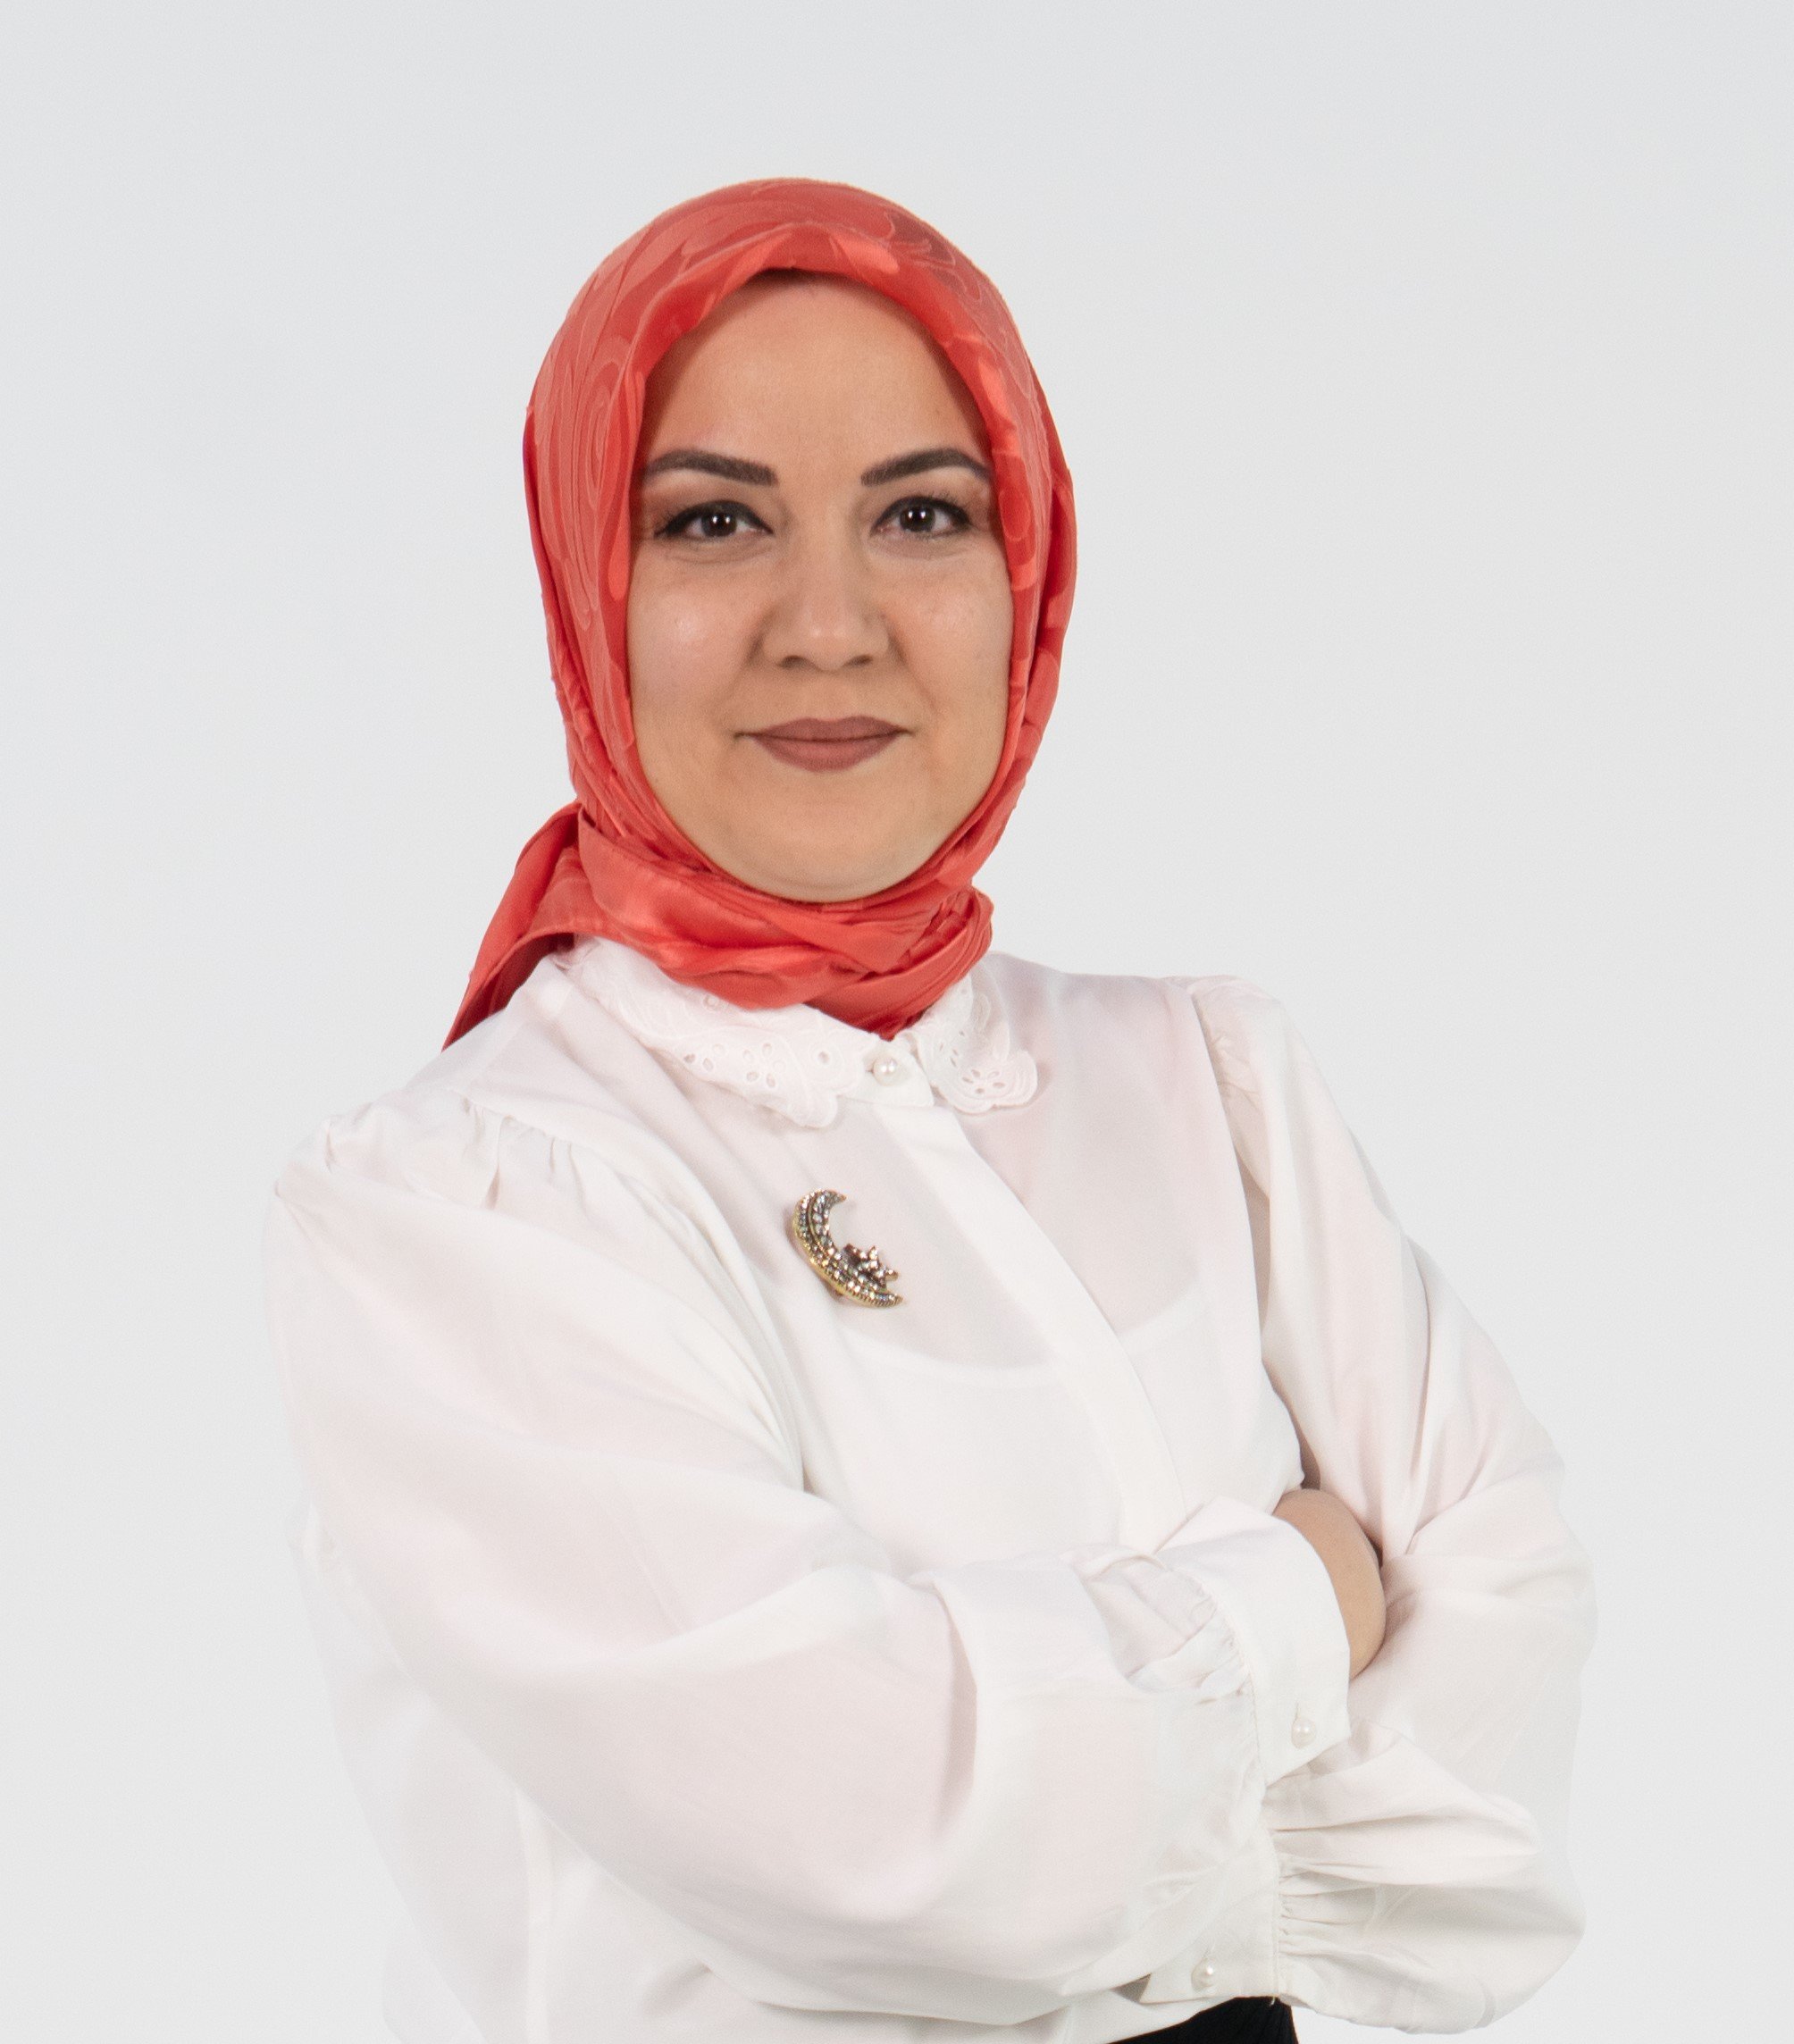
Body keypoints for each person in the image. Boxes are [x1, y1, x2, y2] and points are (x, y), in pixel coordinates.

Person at [264, 180, 1593, 2044]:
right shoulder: (473, 1207)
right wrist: (1300, 1595)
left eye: (918, 514)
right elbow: (876, 1832)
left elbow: (1494, 1759)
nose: (830, 623)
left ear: (1026, 572)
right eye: (713, 520)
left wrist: (1080, 1801)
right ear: (589, 584)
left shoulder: (1206, 1084)